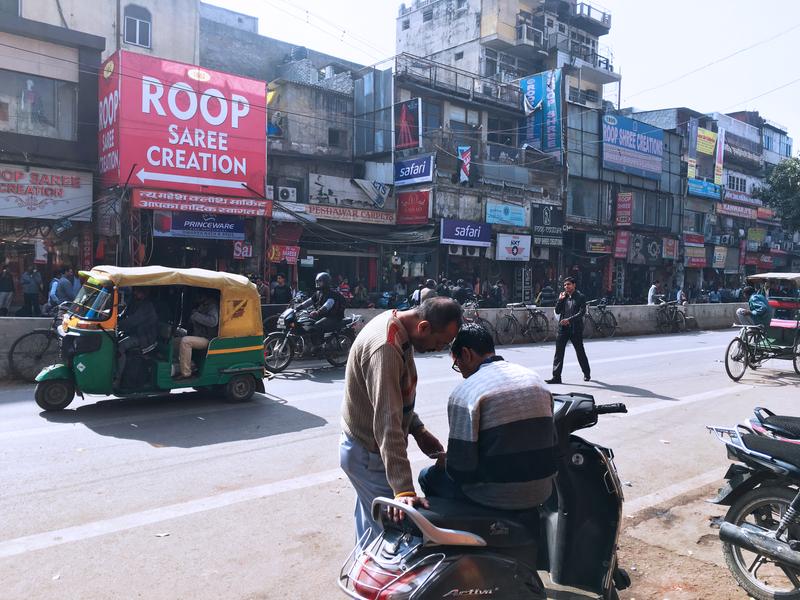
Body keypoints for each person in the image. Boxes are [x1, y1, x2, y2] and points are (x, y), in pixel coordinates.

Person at [339, 297, 463, 545]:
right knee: (394, 535)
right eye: (440, 342)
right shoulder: (386, 346)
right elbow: (387, 421)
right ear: (424, 327)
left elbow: (394, 396)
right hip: (369, 454)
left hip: (361, 448)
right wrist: (404, 490)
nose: (439, 349)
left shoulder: (398, 327)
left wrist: (418, 430)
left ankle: (362, 578)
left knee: (371, 530)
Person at [418, 323, 557, 510]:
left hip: (494, 496)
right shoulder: (536, 380)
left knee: (427, 476)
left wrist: (445, 462)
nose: (460, 371)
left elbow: (461, 470)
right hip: (542, 490)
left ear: (466, 354)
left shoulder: (465, 392)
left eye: (456, 363)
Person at [547, 277, 591, 384]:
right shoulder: (564, 297)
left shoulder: (580, 297)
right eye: (565, 285)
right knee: (559, 353)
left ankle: (586, 373)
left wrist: (569, 320)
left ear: (574, 285)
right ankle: (556, 377)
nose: (566, 287)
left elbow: (581, 313)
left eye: (569, 284)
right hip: (563, 328)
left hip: (575, 328)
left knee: (580, 351)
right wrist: (560, 300)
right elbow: (557, 311)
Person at [114, 288, 158, 388]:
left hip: (145, 338)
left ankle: (117, 379)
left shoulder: (147, 306)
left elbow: (133, 321)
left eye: (138, 292)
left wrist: (117, 325)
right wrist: (113, 320)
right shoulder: (134, 302)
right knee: (113, 342)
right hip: (134, 333)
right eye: (135, 291)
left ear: (144, 293)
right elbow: (124, 315)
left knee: (120, 347)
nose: (135, 293)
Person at [176, 291, 219, 380]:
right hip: (199, 335)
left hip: (208, 339)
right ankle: (185, 365)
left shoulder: (212, 306)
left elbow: (213, 322)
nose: (196, 297)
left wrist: (196, 316)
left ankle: (186, 373)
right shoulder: (202, 305)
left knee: (186, 341)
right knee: (176, 340)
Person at [296, 272, 346, 343]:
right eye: (317, 281)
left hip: (333, 317)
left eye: (320, 281)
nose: (317, 283)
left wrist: (317, 312)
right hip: (323, 315)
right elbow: (309, 301)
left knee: (317, 325)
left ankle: (319, 345)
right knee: (306, 321)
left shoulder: (332, 293)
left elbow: (327, 305)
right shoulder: (319, 293)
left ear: (326, 282)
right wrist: (297, 308)